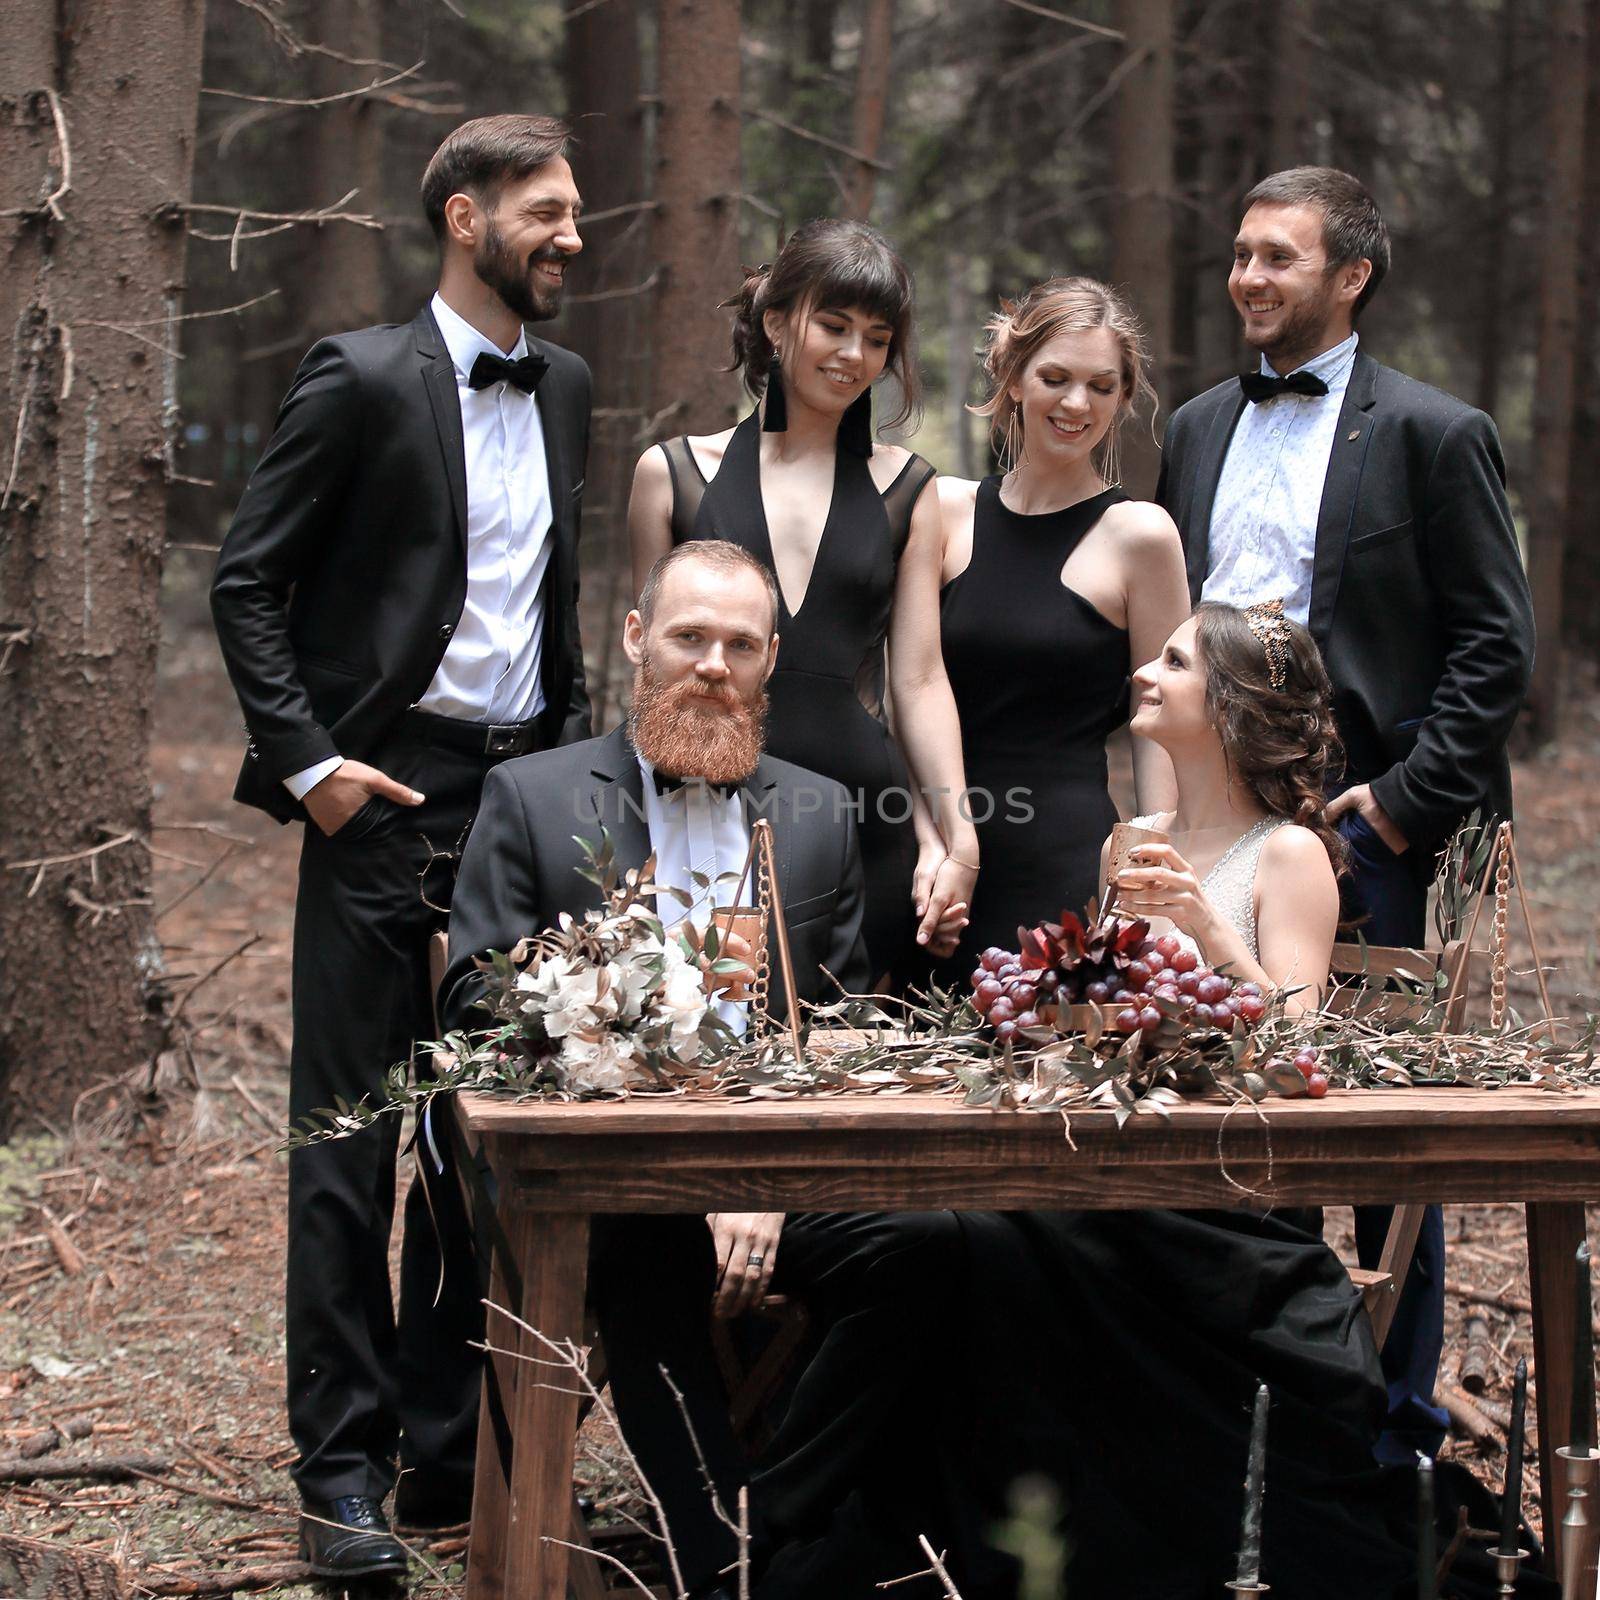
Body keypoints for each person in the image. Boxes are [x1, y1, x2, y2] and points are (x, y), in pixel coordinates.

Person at [210, 115, 593, 1576]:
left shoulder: (562, 385)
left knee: (483, 1139)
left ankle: (448, 1449)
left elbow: (545, 608)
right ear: (463, 214)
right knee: (351, 1146)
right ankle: (343, 1474)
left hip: (520, 807)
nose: (570, 236)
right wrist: (313, 769)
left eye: (575, 212)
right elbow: (248, 584)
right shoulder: (360, 377)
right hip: (382, 794)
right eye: (546, 211)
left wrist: (563, 781)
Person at [442, 541, 966, 1600]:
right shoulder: (532, 796)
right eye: (689, 636)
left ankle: (778, 1527)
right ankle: (717, 1570)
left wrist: (763, 1178)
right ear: (639, 640)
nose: (712, 664)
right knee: (644, 1254)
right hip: (605, 1176)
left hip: (785, 1173)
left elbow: (845, 1024)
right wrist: (678, 1132)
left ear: (771, 659)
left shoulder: (818, 814)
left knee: (938, 1246)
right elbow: (472, 1007)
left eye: (738, 643)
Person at [1155, 166, 1536, 1462]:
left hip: (1373, 838)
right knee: (1225, 1102)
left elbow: (1496, 647)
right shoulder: (1199, 426)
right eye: (1241, 255)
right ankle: (1252, 1405)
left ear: (1352, 277)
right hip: (1222, 828)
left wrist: (1400, 808)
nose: (1250, 277)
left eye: (1280, 257)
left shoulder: (1437, 434)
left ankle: (1393, 1433)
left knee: (1378, 1141)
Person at [951, 602, 1412, 1600]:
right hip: (1113, 1163)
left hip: (1229, 1197)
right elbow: (1097, 1011)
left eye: (1173, 662)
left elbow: (1297, 1050)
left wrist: (1206, 924)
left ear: (1231, 704)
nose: (1145, 673)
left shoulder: (1288, 854)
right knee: (973, 1234)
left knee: (1015, 1244)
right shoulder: (1130, 840)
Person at [628, 218, 976, 984]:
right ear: (778, 323)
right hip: (706, 807)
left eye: (878, 338)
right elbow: (648, 671)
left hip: (866, 819)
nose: (855, 356)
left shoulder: (908, 488)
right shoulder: (673, 473)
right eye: (835, 325)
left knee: (862, 1062)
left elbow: (917, 680)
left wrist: (953, 836)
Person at [930, 277, 1190, 982]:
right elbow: (909, 687)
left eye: (1102, 387)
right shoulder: (944, 512)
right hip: (936, 853)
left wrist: (1151, 879)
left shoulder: (1140, 536)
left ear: (1124, 398)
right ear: (1013, 379)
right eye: (1055, 378)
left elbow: (1163, 718)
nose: (1077, 404)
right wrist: (933, 838)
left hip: (1062, 857)